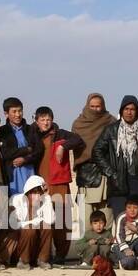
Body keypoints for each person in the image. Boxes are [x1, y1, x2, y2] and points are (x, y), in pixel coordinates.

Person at [97, 95, 138, 241]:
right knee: (122, 217)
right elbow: (97, 152)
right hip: (118, 182)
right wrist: (111, 173)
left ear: (137, 111)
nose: (129, 112)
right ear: (121, 111)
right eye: (126, 109)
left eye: (133, 109)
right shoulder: (111, 130)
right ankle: (122, 253)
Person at [33, 106, 84, 266]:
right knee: (43, 220)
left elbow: (78, 139)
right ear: (36, 121)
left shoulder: (60, 134)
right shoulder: (33, 135)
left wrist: (63, 146)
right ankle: (44, 255)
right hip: (40, 184)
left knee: (63, 222)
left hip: (60, 183)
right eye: (42, 120)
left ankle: (61, 255)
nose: (46, 122)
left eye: (48, 119)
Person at [70, 93, 115, 225]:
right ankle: (87, 244)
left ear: (103, 106)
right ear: (87, 105)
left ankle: (107, 244)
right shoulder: (79, 124)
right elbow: (76, 147)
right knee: (87, 217)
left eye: (98, 106)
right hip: (86, 174)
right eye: (92, 106)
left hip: (106, 173)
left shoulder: (111, 121)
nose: (95, 109)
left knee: (106, 215)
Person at [7, 174, 55, 269]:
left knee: (46, 227)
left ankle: (42, 259)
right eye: (33, 192)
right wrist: (34, 223)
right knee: (29, 229)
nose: (36, 196)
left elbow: (50, 220)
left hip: (35, 244)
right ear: (27, 192)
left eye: (39, 193)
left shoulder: (45, 199)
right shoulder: (16, 200)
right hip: (19, 243)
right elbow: (14, 224)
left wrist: (46, 198)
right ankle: (23, 261)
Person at [0, 97, 40, 197]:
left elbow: (38, 150)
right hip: (12, 175)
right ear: (6, 114)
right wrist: (26, 149)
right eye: (14, 111)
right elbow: (5, 153)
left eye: (20, 111)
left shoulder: (31, 130)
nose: (18, 114)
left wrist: (25, 159)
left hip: (30, 173)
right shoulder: (2, 132)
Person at [110, 194, 138, 271]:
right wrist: (125, 249)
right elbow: (118, 235)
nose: (132, 210)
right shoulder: (122, 217)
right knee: (129, 262)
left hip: (135, 244)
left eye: (135, 208)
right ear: (125, 208)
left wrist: (136, 230)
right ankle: (122, 261)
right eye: (129, 207)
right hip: (120, 245)